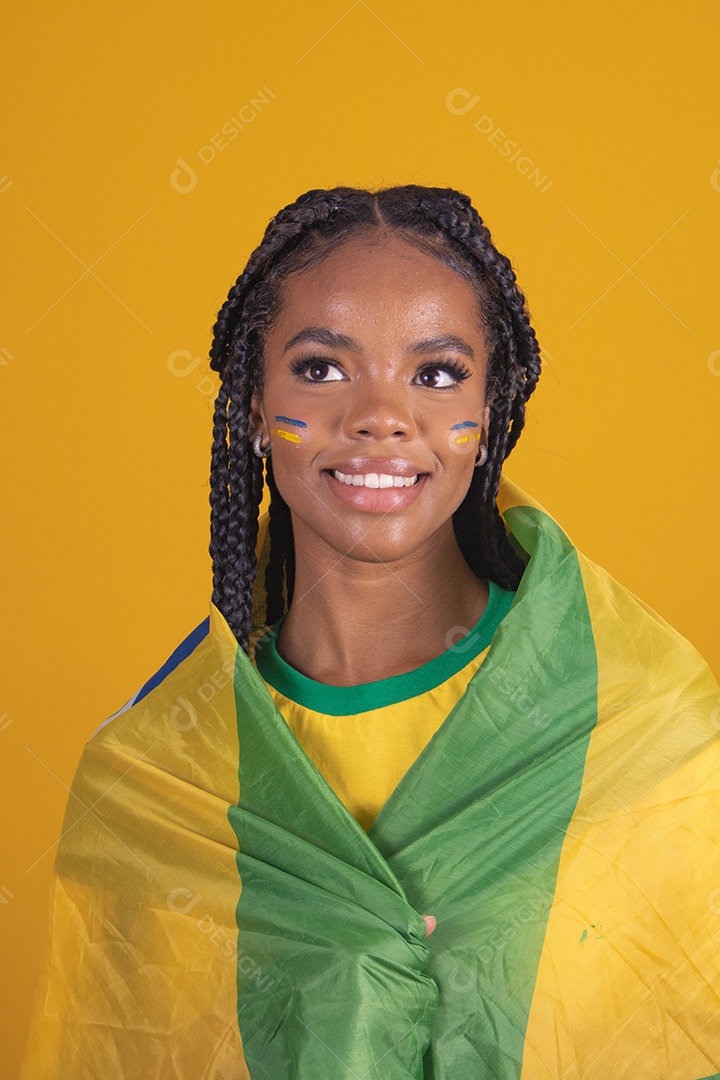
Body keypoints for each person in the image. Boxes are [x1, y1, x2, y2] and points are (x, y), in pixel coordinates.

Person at [21, 185, 720, 1079]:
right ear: (249, 403)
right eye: (321, 368)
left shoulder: (640, 722)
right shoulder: (157, 781)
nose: (382, 416)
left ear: (490, 412)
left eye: (436, 375)